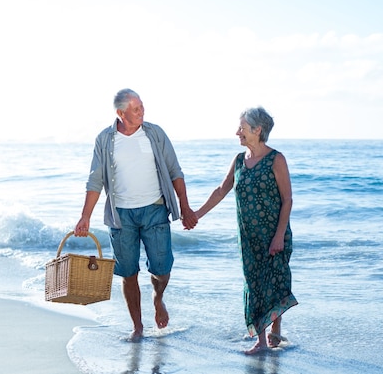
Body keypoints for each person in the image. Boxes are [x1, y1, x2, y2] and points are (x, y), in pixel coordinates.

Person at [74, 88, 198, 341]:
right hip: (121, 216)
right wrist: (85, 216)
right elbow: (95, 180)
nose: (142, 112)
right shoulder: (105, 139)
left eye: (142, 106)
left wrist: (185, 207)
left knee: (162, 269)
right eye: (136, 109)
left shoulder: (154, 133)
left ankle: (158, 297)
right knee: (128, 272)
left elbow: (175, 171)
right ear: (121, 113)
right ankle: (137, 326)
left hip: (155, 209)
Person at [195, 106, 298, 355]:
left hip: (275, 234)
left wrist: (278, 236)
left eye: (241, 128)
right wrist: (195, 215)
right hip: (248, 237)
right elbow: (221, 190)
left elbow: (287, 199)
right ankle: (261, 339)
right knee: (253, 283)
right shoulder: (239, 160)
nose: (237, 133)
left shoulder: (276, 159)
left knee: (275, 281)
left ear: (257, 130)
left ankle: (274, 330)